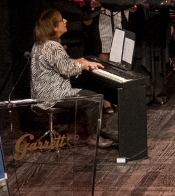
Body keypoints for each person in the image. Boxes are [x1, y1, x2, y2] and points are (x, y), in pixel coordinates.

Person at [29, 9, 112, 146]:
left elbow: (61, 64)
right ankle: (93, 137)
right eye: (62, 20)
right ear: (54, 27)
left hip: (41, 94)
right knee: (95, 98)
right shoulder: (53, 46)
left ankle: (73, 134)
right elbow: (67, 70)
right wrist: (84, 65)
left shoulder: (40, 44)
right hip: (53, 95)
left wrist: (79, 61)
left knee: (81, 94)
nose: (66, 21)